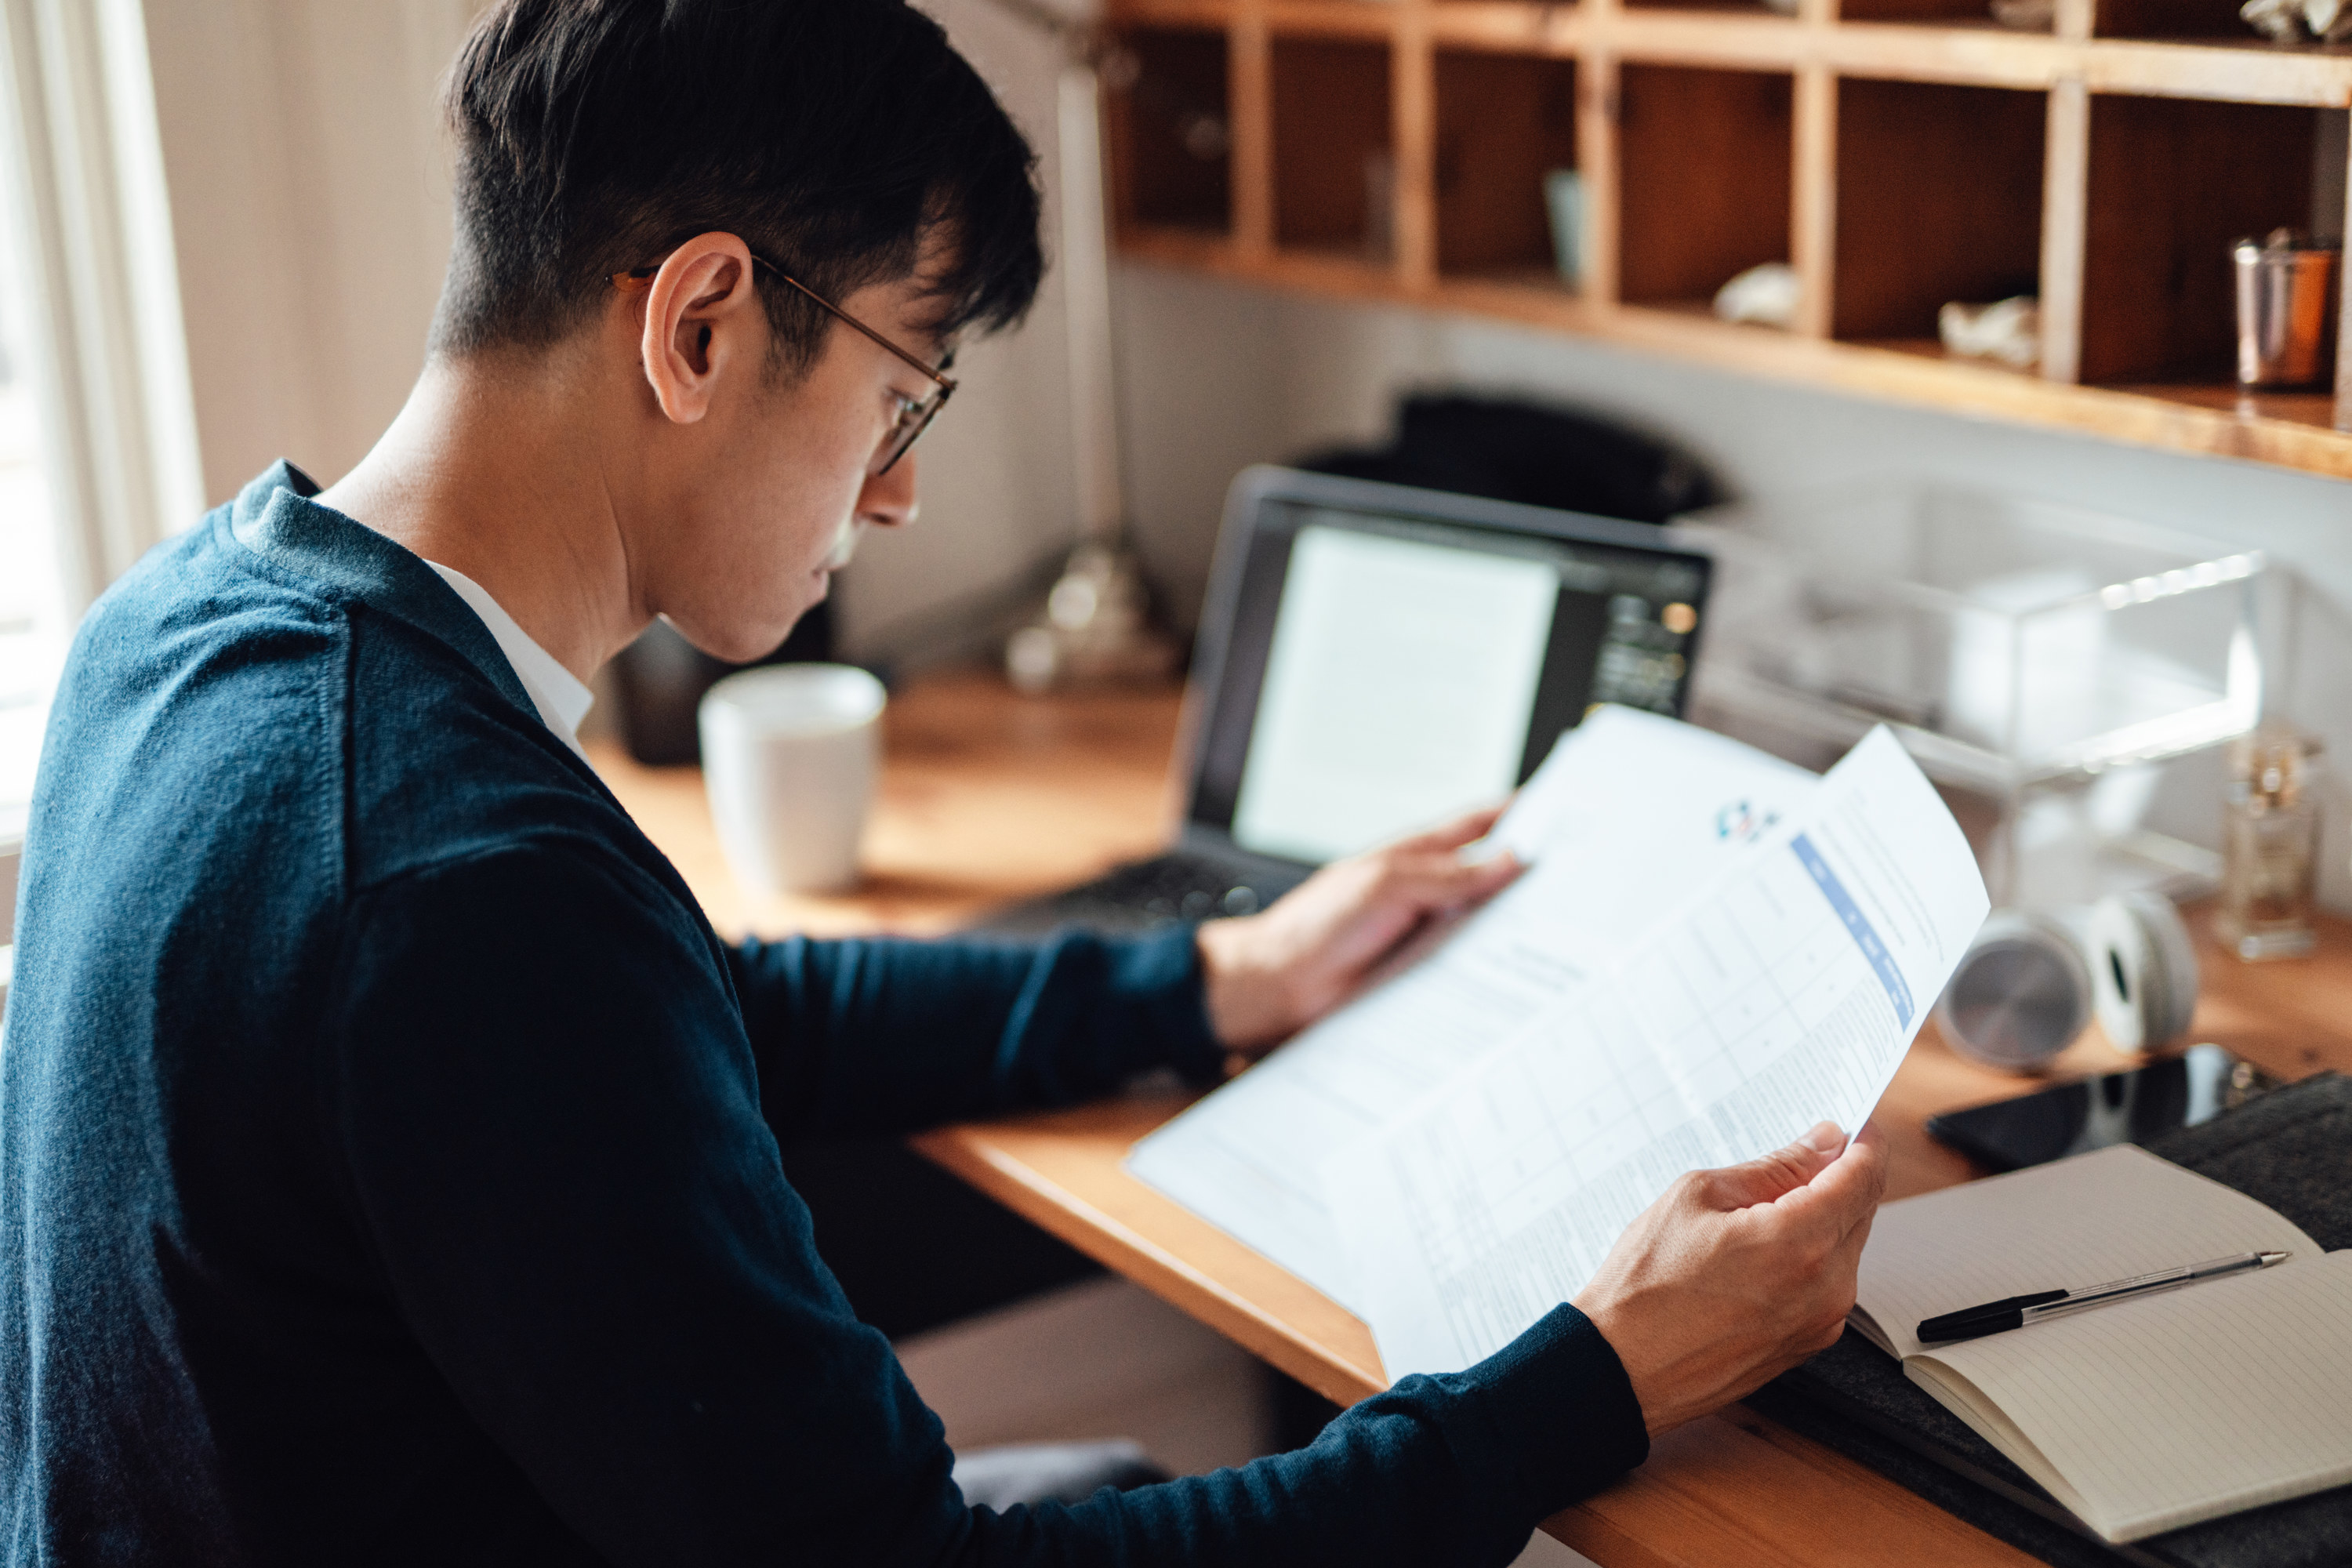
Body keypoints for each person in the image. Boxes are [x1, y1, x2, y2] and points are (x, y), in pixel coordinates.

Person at [0, 2, 1888, 1563]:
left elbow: (687, 1017)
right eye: (907, 393)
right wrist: (1599, 1381)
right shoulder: (460, 888)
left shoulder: (193, 621)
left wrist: (1219, 981)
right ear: (701, 324)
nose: (898, 489)